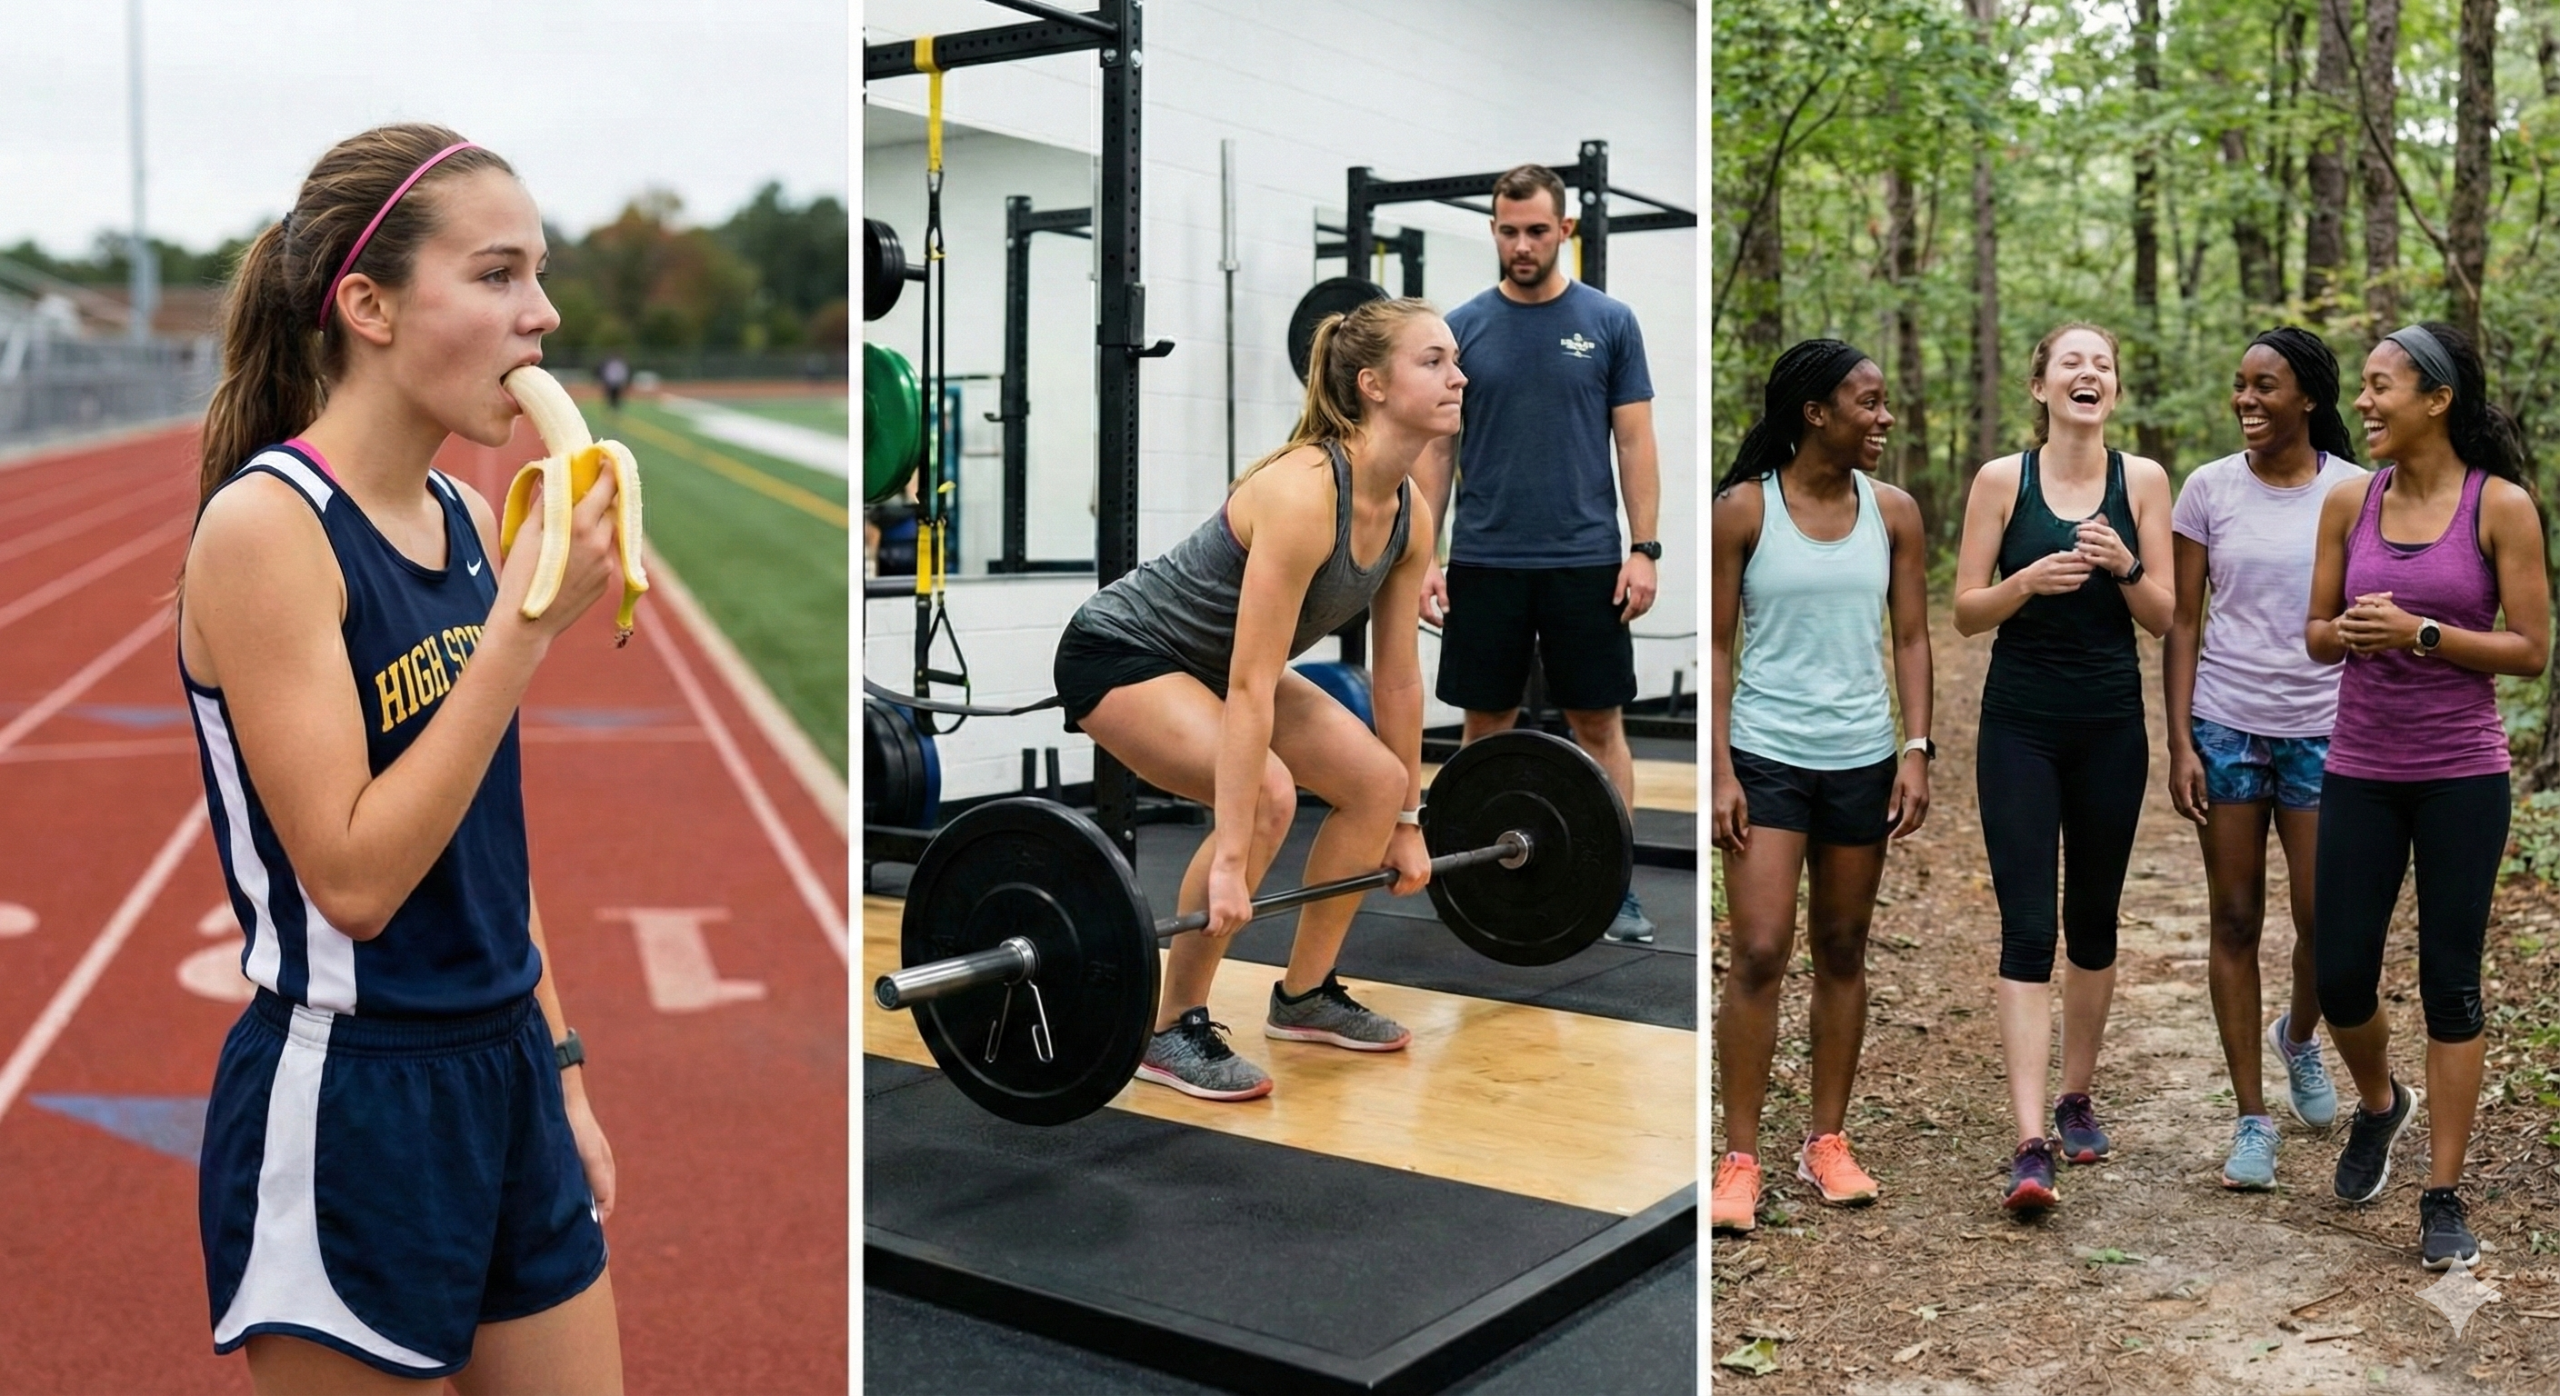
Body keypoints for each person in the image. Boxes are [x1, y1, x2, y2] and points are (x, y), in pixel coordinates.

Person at [179, 124, 624, 1394]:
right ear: (367, 306)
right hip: (355, 1099)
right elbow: (359, 880)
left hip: (508, 1075)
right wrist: (527, 629)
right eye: (495, 276)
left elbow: (488, 843)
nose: (540, 315)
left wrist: (565, 1068)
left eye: (538, 274)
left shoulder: (470, 516)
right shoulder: (265, 530)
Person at [1054, 297, 1452, 1101]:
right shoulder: (1305, 491)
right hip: (1125, 652)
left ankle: (1304, 995)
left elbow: (1401, 680)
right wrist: (1231, 859)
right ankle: (1170, 1027)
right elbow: (1247, 684)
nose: (1459, 376)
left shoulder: (1411, 510)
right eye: (1434, 361)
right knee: (1267, 795)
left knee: (1374, 783)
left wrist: (1409, 821)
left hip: (1221, 665)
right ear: (1373, 384)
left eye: (1454, 360)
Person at [2303, 322, 2547, 1269]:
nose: (2361, 403)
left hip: (2463, 775)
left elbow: (2531, 652)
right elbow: (2316, 633)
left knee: (2451, 981)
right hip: (2360, 765)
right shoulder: (2347, 503)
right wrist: (2351, 634)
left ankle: (2442, 1196)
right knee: (2341, 976)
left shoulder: (2502, 507)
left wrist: (2424, 634)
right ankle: (2380, 1104)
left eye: (2379, 387)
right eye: (2361, 388)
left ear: (2436, 400)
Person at [1709, 340, 1934, 1234]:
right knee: (1761, 948)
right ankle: (1740, 1157)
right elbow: (1719, 646)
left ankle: (1827, 1142)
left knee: (1844, 947)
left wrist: (1916, 748)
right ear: (1816, 412)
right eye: (1868, 404)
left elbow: (1913, 639)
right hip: (1766, 756)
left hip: (1860, 757)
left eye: (1883, 405)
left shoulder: (1897, 513)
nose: (1883, 419)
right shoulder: (1742, 513)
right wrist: (1720, 764)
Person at [1952, 322, 2175, 1212]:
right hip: (2020, 728)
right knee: (2026, 927)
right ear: (2041, 386)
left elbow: (2164, 616)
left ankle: (2076, 1095)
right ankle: (2028, 1140)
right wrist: (2023, 586)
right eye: (2071, 364)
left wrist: (2124, 566)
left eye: (2103, 365)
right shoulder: (2002, 482)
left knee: (2092, 917)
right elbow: (1967, 610)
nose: (2090, 375)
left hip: (2111, 726)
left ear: (2112, 389)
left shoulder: (2144, 481)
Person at [1413, 163, 1661, 943]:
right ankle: (1470, 876)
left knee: (1598, 723)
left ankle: (1613, 885)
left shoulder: (1610, 323)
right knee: (1483, 724)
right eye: (1508, 230)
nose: (1521, 245)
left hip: (1585, 559)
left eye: (1536, 230)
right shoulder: (1462, 329)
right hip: (1485, 560)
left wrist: (1644, 547)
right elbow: (1436, 454)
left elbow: (1635, 441)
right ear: (1494, 230)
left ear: (1566, 231)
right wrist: (1425, 556)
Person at [2165, 328, 2365, 1191]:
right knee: (2236, 918)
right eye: (2239, 385)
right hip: (2227, 725)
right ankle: (2251, 1118)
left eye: (2265, 386)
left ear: (2308, 398)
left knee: (2326, 922)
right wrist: (2178, 739)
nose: (2246, 400)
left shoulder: (2357, 491)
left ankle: (2299, 1037)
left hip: (2327, 727)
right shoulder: (2208, 488)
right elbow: (2183, 621)